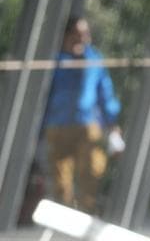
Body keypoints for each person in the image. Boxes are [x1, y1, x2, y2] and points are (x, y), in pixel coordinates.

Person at [42, 16, 124, 215]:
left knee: (91, 172)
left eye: (85, 34)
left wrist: (113, 126)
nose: (82, 39)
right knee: (61, 181)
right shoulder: (54, 60)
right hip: (57, 126)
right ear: (66, 36)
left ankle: (87, 214)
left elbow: (105, 94)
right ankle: (64, 217)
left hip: (87, 125)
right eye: (77, 34)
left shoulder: (94, 60)